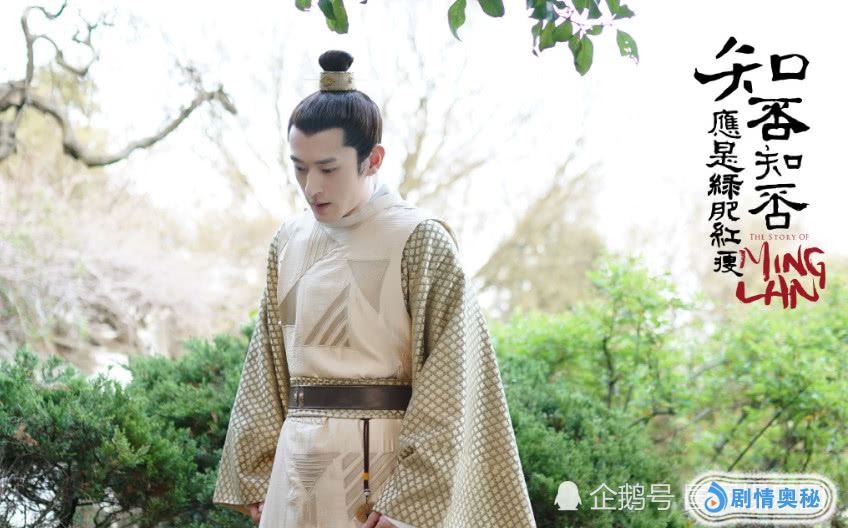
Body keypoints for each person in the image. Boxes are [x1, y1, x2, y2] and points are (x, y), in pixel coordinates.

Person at [212, 49, 536, 528]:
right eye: (299, 167)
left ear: (373, 159)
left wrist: (409, 503)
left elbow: (454, 381)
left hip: (379, 474)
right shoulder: (288, 241)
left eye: (328, 168)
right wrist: (256, 475)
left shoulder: (419, 238)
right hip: (293, 470)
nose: (311, 186)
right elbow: (267, 366)